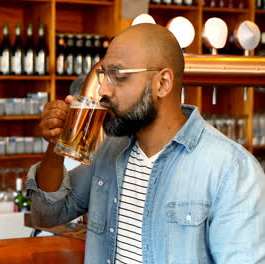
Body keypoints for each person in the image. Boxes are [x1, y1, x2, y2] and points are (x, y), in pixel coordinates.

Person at [26, 23, 265, 263]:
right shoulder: (111, 150)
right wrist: (56, 145)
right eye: (103, 75)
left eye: (117, 76)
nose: (104, 90)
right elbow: (46, 214)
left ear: (162, 83)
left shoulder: (232, 170)